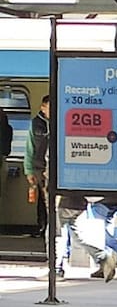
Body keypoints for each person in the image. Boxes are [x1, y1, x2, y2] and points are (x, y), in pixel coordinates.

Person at [57, 190, 117, 282]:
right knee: (78, 237)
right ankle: (103, 257)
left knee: (57, 235)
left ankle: (55, 270)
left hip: (67, 201)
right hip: (80, 203)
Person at [23, 95, 50, 239]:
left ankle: (51, 227)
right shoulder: (36, 124)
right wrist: (29, 170)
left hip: (55, 167)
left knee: (52, 198)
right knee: (42, 198)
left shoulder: (60, 121)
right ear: (43, 108)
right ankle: (43, 226)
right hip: (40, 167)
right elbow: (30, 148)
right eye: (49, 107)